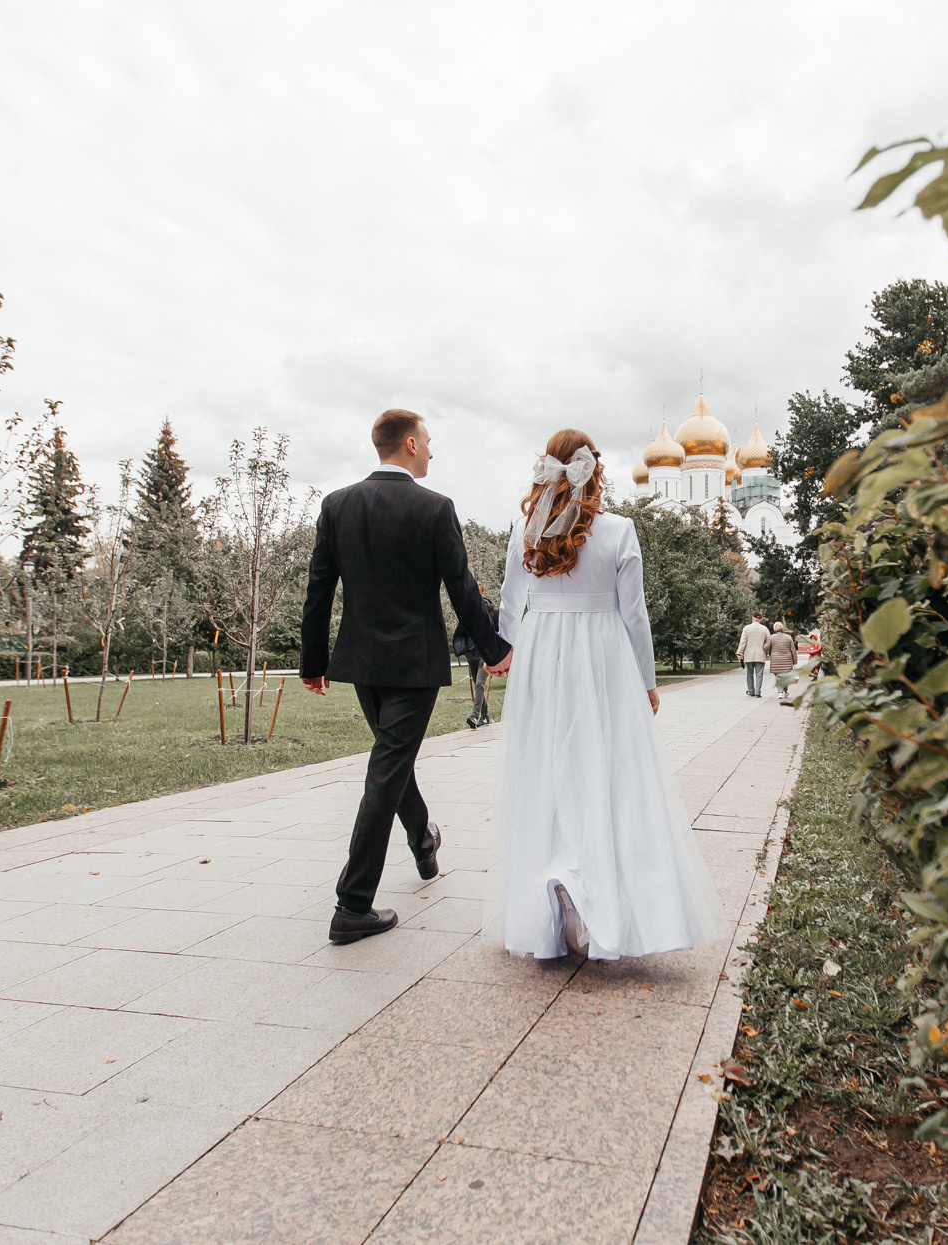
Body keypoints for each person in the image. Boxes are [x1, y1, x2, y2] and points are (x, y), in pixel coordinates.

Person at [492, 429, 718, 960]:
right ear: (594, 471)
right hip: (602, 655)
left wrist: (507, 654)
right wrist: (646, 680)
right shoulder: (619, 530)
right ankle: (597, 888)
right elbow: (634, 613)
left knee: (544, 766)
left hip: (542, 652)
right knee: (608, 767)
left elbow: (509, 602)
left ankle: (554, 880)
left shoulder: (526, 530)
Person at [300, 409, 511, 945]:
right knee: (387, 767)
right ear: (410, 444)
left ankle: (422, 839)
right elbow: (462, 587)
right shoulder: (435, 508)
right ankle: (352, 905)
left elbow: (319, 590)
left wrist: (313, 662)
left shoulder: (337, 505)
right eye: (429, 442)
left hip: (362, 663)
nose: (432, 452)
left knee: (391, 763)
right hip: (415, 665)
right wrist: (495, 650)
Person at [453, 582, 499, 728]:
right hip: (471, 654)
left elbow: (500, 632)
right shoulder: (467, 612)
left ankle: (474, 716)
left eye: (478, 593)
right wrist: (464, 649)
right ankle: (485, 717)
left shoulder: (493, 612)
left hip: (485, 655)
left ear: (483, 594)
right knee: (478, 685)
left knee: (479, 684)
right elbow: (460, 632)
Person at [736, 612, 770, 698]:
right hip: (760, 654)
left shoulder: (747, 628)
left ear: (752, 618)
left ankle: (751, 691)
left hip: (749, 655)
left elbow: (743, 642)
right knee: (759, 674)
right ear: (760, 619)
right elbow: (768, 642)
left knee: (749, 674)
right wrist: (766, 651)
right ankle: (758, 692)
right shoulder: (764, 629)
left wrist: (739, 652)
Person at [766, 621, 797, 699]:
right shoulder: (788, 637)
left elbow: (766, 648)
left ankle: (780, 692)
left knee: (778, 676)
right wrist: (795, 661)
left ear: (774, 628)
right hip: (787, 660)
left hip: (776, 660)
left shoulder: (771, 637)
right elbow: (793, 650)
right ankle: (785, 691)